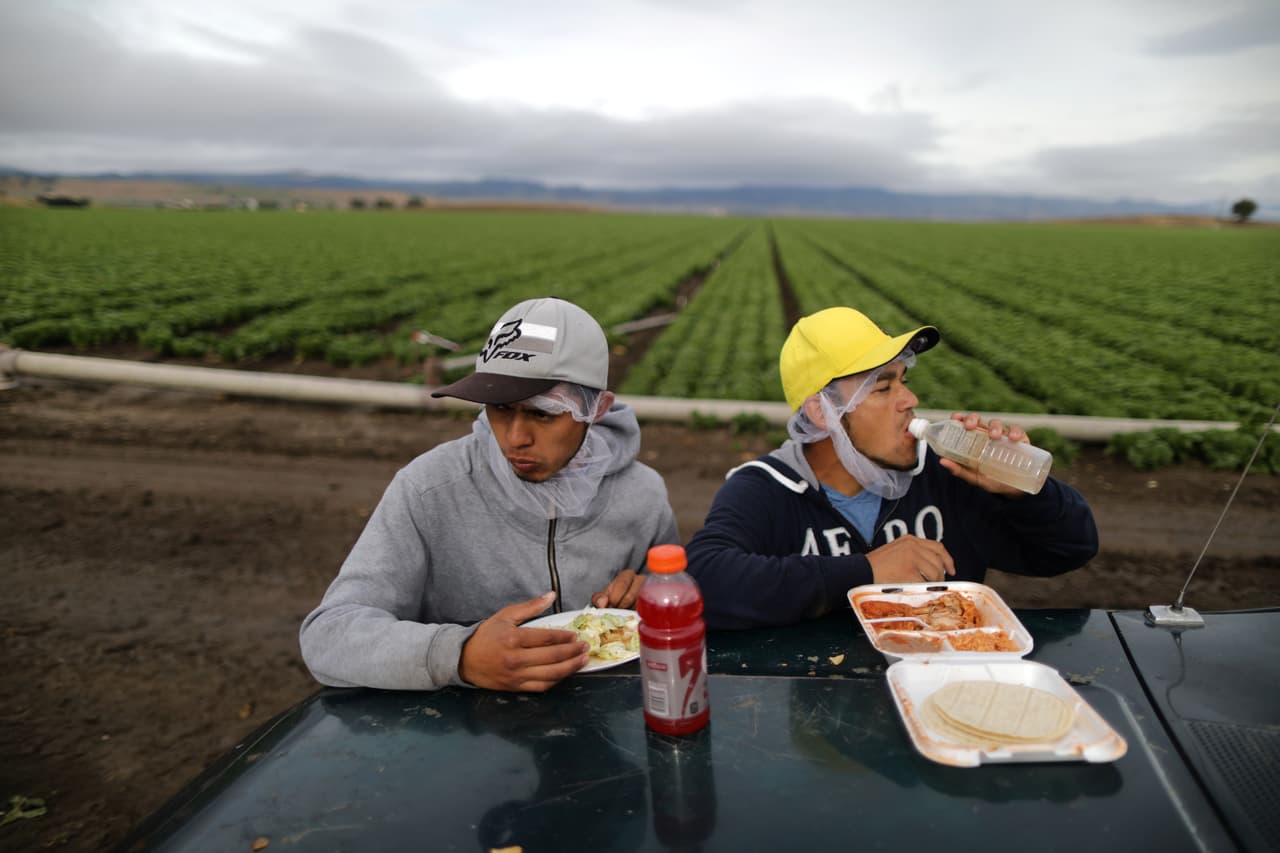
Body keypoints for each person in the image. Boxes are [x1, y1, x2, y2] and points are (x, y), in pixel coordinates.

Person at [300, 297, 679, 691]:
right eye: (499, 409)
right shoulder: (430, 489)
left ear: (596, 409)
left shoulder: (642, 494)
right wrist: (458, 656)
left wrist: (652, 591)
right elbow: (328, 636)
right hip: (467, 733)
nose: (516, 438)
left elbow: (675, 590)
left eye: (542, 413)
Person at [685, 306, 1098, 629]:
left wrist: (1021, 493)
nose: (909, 399)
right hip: (820, 706)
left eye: (902, 380)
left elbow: (1070, 550)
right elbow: (703, 580)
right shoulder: (768, 489)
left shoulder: (945, 475)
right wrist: (865, 570)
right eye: (883, 387)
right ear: (822, 411)